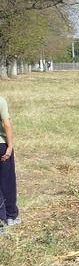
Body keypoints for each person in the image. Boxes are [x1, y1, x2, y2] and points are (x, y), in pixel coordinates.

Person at [0, 96, 20, 229]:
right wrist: (10, 146)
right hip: (1, 145)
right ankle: (9, 216)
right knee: (7, 181)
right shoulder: (1, 100)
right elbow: (6, 123)